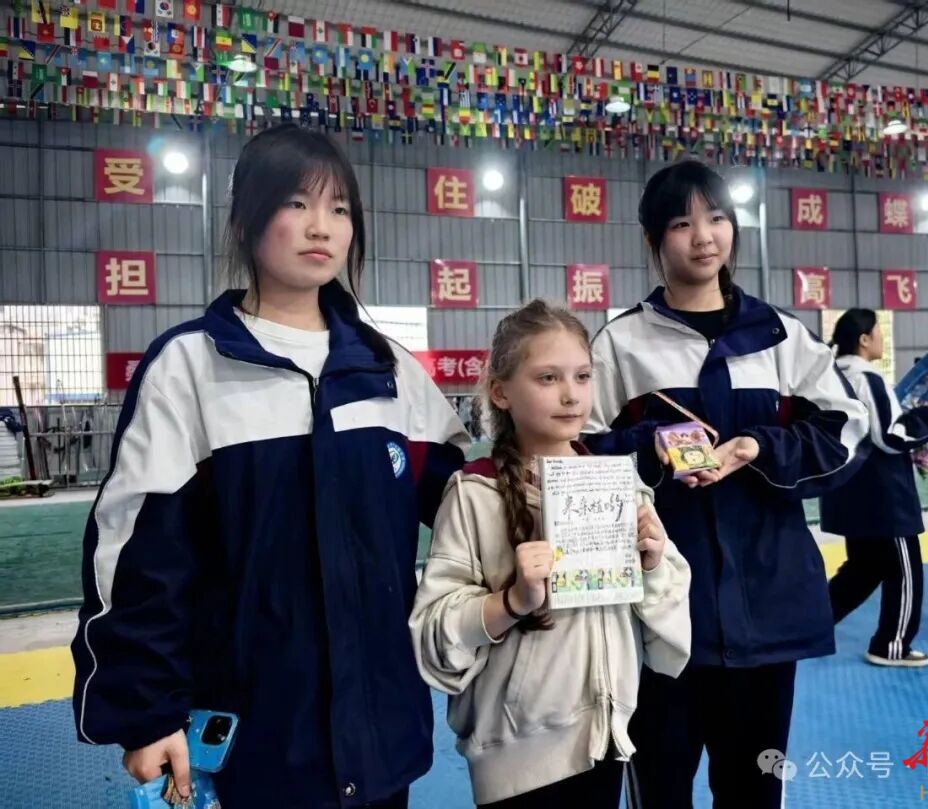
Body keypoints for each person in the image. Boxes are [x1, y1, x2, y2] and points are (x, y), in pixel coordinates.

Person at [71, 124, 470, 808]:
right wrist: (147, 711)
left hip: (380, 731)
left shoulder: (388, 370)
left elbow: (467, 500)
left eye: (339, 208)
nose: (322, 227)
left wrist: (564, 474)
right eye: (296, 203)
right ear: (245, 219)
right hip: (254, 739)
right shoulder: (189, 368)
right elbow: (138, 561)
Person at [582, 160, 868, 809]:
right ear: (653, 239)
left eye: (715, 218)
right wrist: (649, 447)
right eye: (681, 224)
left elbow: (845, 430)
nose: (703, 236)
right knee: (661, 791)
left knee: (755, 789)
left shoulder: (781, 337)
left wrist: (755, 446)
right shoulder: (621, 344)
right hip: (657, 620)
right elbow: (581, 453)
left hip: (767, 610)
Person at [409, 300, 691, 808]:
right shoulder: (474, 494)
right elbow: (433, 637)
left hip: (606, 739)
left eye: (582, 376)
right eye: (547, 378)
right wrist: (511, 602)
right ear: (501, 391)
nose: (570, 394)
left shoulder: (620, 485)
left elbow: (669, 630)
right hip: (516, 757)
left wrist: (650, 565)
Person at [820, 309, 928, 668]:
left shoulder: (833, 375)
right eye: (879, 332)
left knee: (863, 567)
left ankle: (811, 625)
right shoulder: (866, 377)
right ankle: (892, 645)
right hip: (883, 494)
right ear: (865, 339)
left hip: (847, 488)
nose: (882, 339)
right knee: (904, 571)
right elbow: (891, 437)